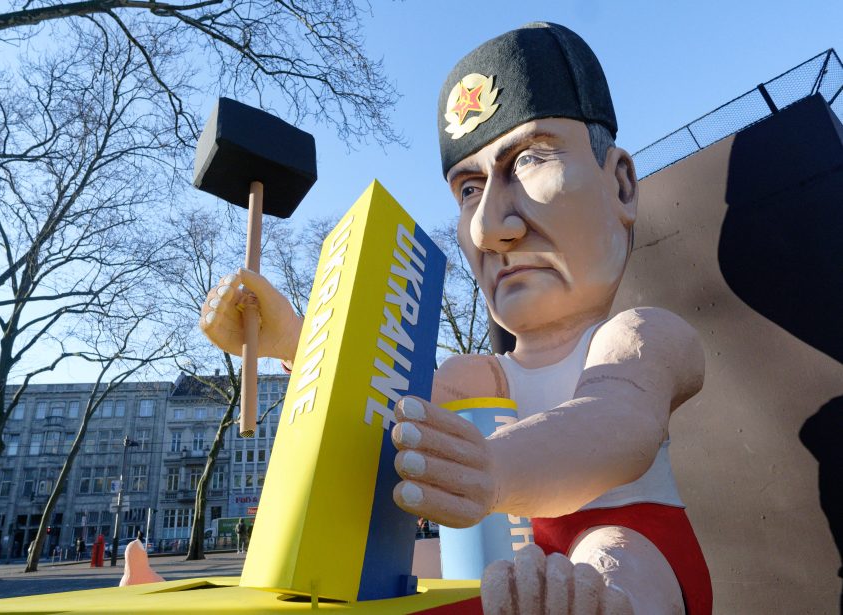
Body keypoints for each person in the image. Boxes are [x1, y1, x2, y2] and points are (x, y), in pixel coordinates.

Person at [199, 22, 711, 615]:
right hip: (521, 572)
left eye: (529, 159)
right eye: (469, 188)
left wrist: (496, 466)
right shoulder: (478, 376)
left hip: (636, 557)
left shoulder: (641, 335)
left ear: (621, 185)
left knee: (609, 553)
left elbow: (617, 422)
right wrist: (292, 338)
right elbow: (382, 400)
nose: (490, 227)